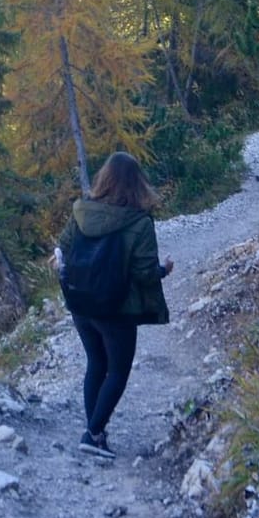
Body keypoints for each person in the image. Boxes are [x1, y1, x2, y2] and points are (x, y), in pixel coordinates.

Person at [56, 152, 173, 458]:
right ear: (137, 184)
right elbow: (144, 273)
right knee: (118, 371)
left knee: (96, 364)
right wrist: (164, 270)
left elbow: (63, 249)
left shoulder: (81, 211)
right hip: (116, 310)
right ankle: (93, 435)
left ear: (104, 179)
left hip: (81, 303)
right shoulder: (139, 223)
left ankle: (96, 430)